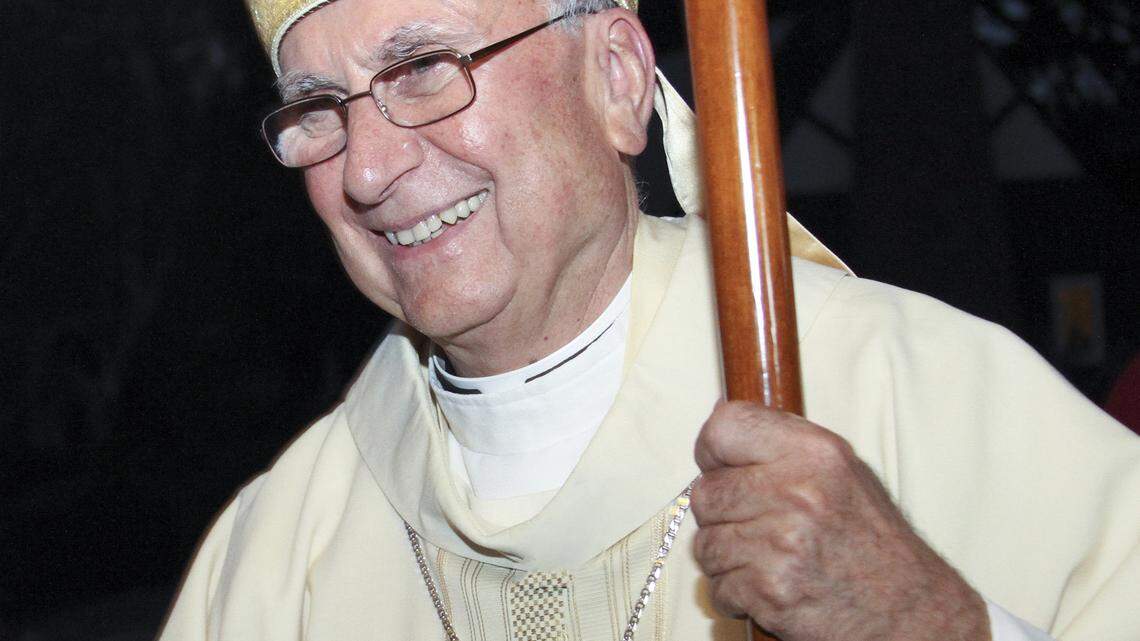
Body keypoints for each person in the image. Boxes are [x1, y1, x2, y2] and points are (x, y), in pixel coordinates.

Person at [158, 0, 1140, 639]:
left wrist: (939, 627)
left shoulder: (920, 396)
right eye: (320, 109)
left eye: (421, 68)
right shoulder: (275, 562)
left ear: (617, 78)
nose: (366, 170)